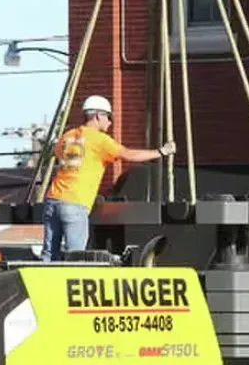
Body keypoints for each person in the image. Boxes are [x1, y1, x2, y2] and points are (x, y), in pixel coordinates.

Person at [41, 95, 176, 261]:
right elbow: (128, 154)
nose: (110, 122)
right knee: (75, 258)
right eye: (109, 117)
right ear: (98, 116)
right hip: (75, 203)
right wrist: (160, 152)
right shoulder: (100, 141)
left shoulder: (67, 136)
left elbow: (61, 157)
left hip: (53, 199)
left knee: (49, 256)